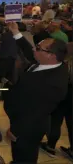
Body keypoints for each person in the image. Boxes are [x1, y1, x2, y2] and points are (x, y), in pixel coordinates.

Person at [4, 22, 68, 163]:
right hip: (27, 124)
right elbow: (30, 51)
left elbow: (34, 112)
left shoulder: (52, 84)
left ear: (51, 55)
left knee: (24, 157)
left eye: (39, 48)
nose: (34, 49)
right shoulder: (52, 63)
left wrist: (16, 130)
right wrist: (16, 32)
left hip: (27, 130)